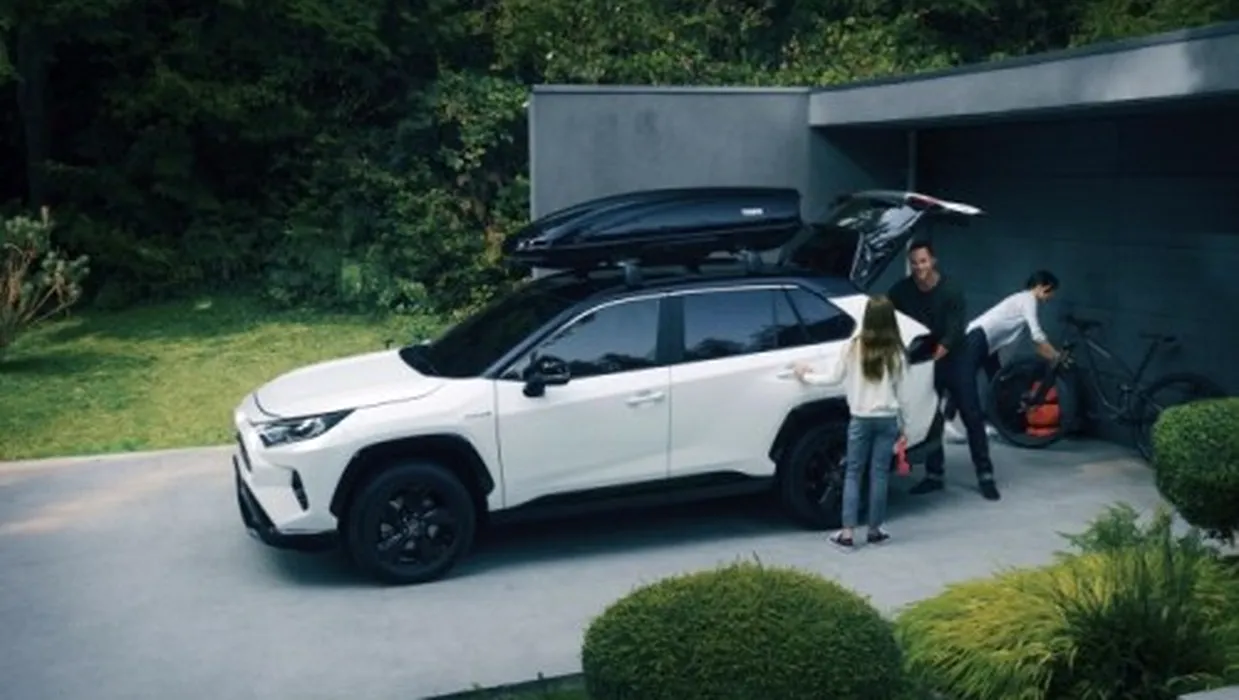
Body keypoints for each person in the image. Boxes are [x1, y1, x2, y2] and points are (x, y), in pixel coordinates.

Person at [791, 295, 909, 549]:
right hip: (887, 419)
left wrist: (806, 375)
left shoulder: (852, 348)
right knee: (879, 474)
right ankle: (875, 531)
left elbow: (832, 379)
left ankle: (847, 534)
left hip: (860, 419)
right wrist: (904, 427)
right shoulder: (897, 352)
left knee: (853, 473)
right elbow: (902, 395)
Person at [945, 270, 1062, 497]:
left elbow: (1017, 339)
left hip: (989, 344)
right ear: (1042, 286)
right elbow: (1036, 335)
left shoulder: (1020, 300)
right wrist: (1055, 355)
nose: (1049, 299)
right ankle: (948, 422)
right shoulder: (1028, 299)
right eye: (1050, 293)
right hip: (977, 338)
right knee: (964, 381)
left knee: (997, 381)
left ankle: (993, 421)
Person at [886, 240, 969, 497]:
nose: (919, 267)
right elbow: (886, 318)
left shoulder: (951, 290)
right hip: (916, 358)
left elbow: (954, 331)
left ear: (933, 261)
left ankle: (979, 473)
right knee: (921, 413)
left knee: (963, 413)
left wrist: (935, 357)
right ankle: (926, 469)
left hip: (950, 357)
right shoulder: (901, 290)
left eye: (923, 261)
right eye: (914, 263)